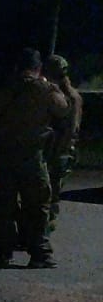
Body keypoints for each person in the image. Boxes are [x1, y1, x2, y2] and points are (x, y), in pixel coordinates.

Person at [0, 48, 69, 268]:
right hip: (33, 156)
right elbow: (63, 109)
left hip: (5, 155)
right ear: (39, 68)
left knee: (5, 206)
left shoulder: (3, 89)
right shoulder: (45, 90)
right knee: (38, 204)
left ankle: (5, 252)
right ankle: (39, 253)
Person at [43, 54, 83, 231]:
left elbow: (70, 129)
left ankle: (43, 231)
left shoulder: (65, 97)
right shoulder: (69, 94)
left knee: (48, 194)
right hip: (61, 150)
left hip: (59, 151)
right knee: (50, 193)